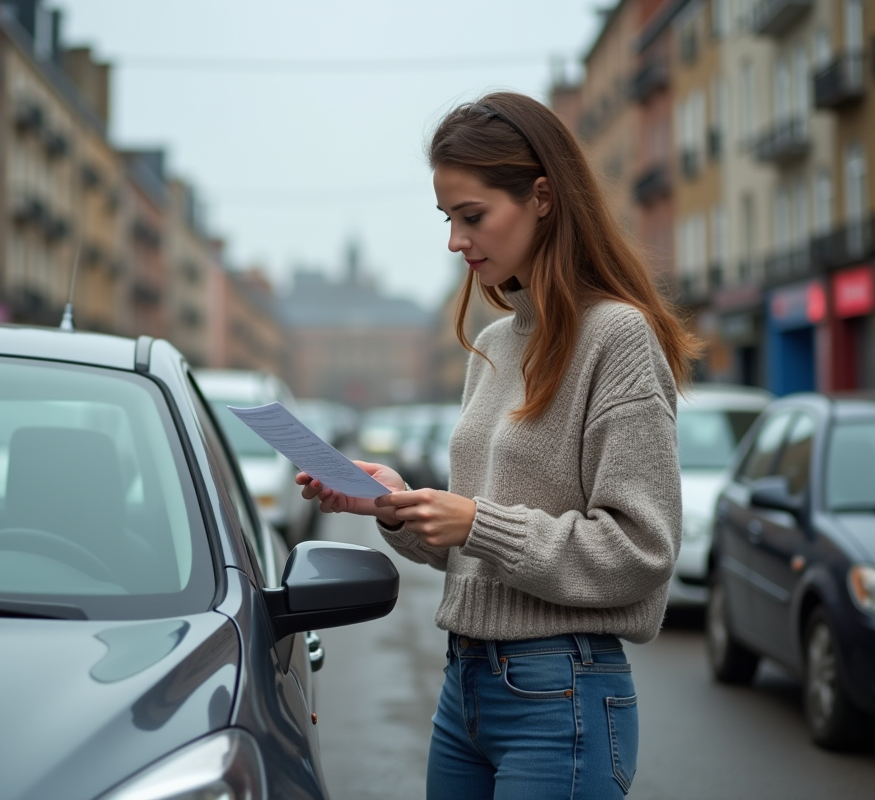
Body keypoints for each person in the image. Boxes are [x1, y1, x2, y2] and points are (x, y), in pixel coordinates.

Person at [297, 91, 700, 799]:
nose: (455, 241)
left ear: (542, 196)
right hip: (466, 689)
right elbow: (472, 549)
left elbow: (641, 551)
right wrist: (397, 506)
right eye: (448, 218)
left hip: (562, 692)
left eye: (471, 215)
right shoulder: (494, 344)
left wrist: (477, 522)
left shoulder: (618, 337)